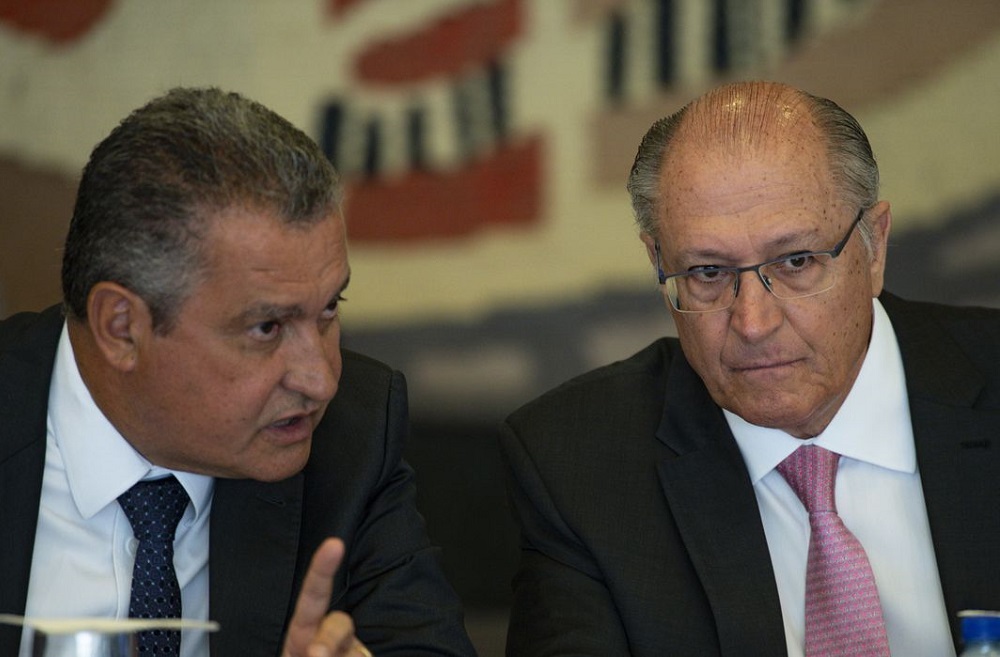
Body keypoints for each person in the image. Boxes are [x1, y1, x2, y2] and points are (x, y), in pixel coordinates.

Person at [499, 80, 1000, 656]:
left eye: (796, 262)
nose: (753, 323)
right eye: (708, 272)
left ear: (875, 248)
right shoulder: (580, 463)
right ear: (659, 264)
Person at [0, 87, 476, 657]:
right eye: (267, 328)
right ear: (122, 327)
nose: (321, 380)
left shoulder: (352, 437)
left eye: (330, 308)